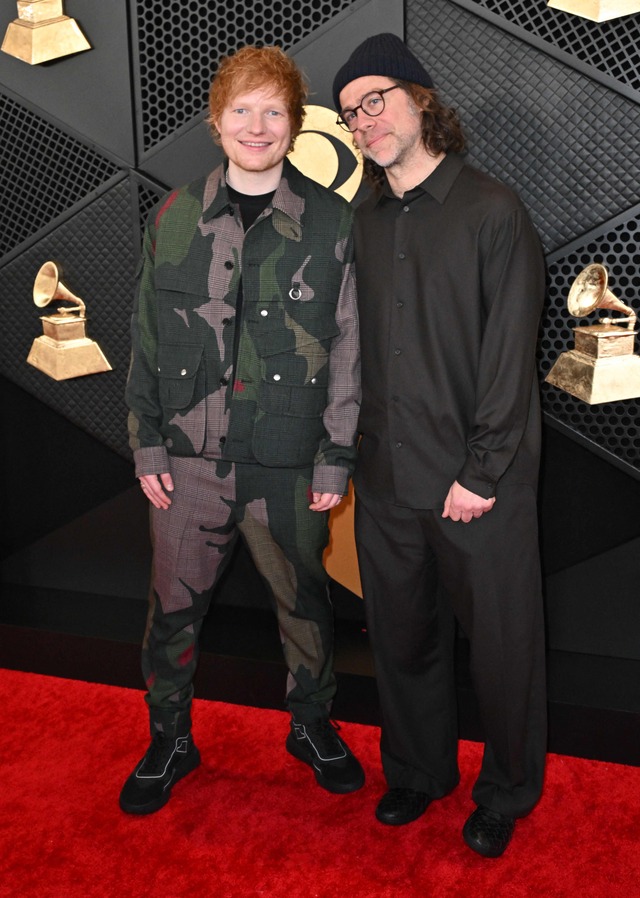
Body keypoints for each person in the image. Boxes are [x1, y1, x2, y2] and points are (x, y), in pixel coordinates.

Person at [121, 45, 364, 815]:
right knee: (172, 608)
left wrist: (336, 455)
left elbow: (352, 345)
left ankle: (311, 726)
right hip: (186, 461)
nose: (257, 126)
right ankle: (170, 738)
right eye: (241, 111)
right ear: (215, 122)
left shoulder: (332, 220)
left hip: (288, 461)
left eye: (273, 111)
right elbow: (147, 335)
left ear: (295, 125)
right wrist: (147, 440)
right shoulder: (176, 214)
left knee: (305, 608)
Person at [332, 33, 547, 857]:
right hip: (385, 480)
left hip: (475, 486)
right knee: (403, 639)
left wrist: (482, 471)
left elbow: (509, 357)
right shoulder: (363, 217)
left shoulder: (492, 208)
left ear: (422, 100)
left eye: (377, 99)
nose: (364, 120)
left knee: (502, 653)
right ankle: (418, 773)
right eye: (351, 112)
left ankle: (506, 792)